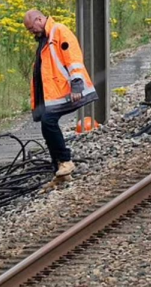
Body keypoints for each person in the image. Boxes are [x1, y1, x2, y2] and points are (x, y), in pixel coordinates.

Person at [23, 10, 98, 185]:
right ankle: (59, 169)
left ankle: (65, 161)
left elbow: (73, 58)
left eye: (31, 28)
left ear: (39, 19)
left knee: (49, 122)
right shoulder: (46, 38)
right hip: (54, 95)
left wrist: (77, 84)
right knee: (46, 125)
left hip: (67, 91)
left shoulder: (58, 31)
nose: (31, 32)